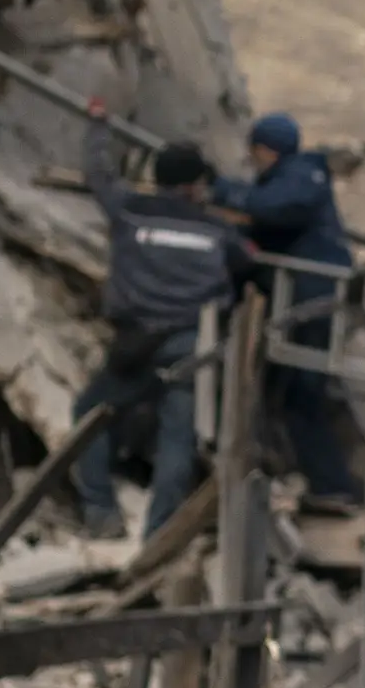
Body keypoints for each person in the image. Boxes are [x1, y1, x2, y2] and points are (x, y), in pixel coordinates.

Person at [74, 110, 264, 541]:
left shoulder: (131, 212)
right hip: (189, 344)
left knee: (90, 414)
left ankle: (101, 514)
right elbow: (247, 261)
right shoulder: (213, 229)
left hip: (134, 341)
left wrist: (99, 125)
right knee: (177, 435)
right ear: (195, 186)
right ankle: (160, 535)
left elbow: (98, 175)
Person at [218, 113, 359, 511]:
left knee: (304, 394)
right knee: (287, 388)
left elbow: (272, 209)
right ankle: (302, 474)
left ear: (265, 150)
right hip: (307, 297)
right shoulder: (299, 175)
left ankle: (332, 485)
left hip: (312, 300)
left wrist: (219, 189)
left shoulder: (299, 178)